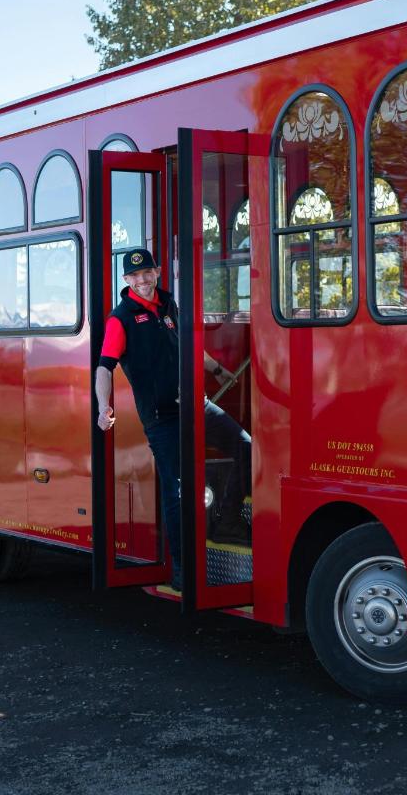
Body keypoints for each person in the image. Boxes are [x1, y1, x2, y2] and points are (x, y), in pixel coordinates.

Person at [95, 248, 251, 591]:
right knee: (178, 491)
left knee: (245, 447)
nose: (142, 280)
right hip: (161, 417)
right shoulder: (120, 318)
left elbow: (188, 346)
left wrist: (217, 369)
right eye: (135, 276)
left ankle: (227, 520)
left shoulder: (169, 304)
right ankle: (181, 568)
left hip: (197, 403)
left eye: (147, 273)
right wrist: (102, 407)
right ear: (126, 281)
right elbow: (104, 367)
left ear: (158, 271)